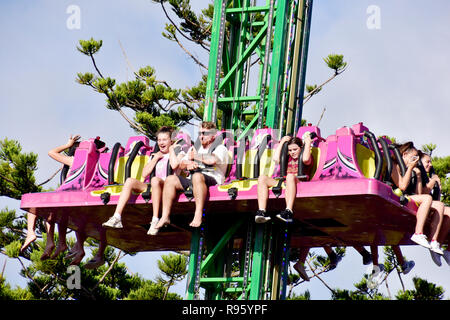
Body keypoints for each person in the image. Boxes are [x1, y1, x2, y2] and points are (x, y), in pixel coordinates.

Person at [102, 126, 184, 236]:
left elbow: (175, 165)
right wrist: (155, 158)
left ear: (171, 141)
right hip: (153, 185)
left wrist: (171, 151)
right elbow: (144, 174)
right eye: (159, 140)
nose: (161, 143)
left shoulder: (178, 153)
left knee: (155, 180)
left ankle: (155, 219)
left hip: (168, 186)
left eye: (164, 140)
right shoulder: (155, 155)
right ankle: (117, 217)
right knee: (130, 181)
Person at [154, 121, 229, 230]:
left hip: (212, 178)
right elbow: (181, 164)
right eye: (200, 134)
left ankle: (198, 214)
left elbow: (212, 160)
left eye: (205, 134)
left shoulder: (220, 148)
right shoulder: (194, 148)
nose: (201, 136)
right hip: (193, 178)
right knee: (170, 179)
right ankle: (165, 216)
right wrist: (189, 164)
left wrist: (196, 156)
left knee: (197, 176)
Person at [390, 142, 444, 254]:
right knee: (427, 198)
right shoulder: (395, 165)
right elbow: (402, 186)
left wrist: (418, 176)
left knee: (439, 204)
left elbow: (418, 193)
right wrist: (410, 169)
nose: (415, 161)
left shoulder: (411, 169)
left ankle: (434, 242)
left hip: (407, 196)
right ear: (404, 155)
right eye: (413, 157)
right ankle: (418, 233)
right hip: (395, 196)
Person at [255, 133, 312, 223]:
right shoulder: (287, 158)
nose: (292, 152)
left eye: (295, 149)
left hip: (299, 181)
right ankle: (261, 211)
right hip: (286, 181)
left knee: (290, 176)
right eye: (290, 150)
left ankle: (288, 211)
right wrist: (282, 142)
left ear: (301, 148)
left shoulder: (306, 156)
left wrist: (307, 143)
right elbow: (276, 159)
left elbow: (305, 159)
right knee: (262, 178)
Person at [419, 152, 450, 266]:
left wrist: (439, 188)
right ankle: (434, 243)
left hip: (433, 206)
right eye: (427, 162)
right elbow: (422, 193)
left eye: (431, 162)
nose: (430, 165)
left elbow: (437, 200)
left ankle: (443, 248)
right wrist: (433, 182)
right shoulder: (418, 174)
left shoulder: (429, 177)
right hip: (421, 204)